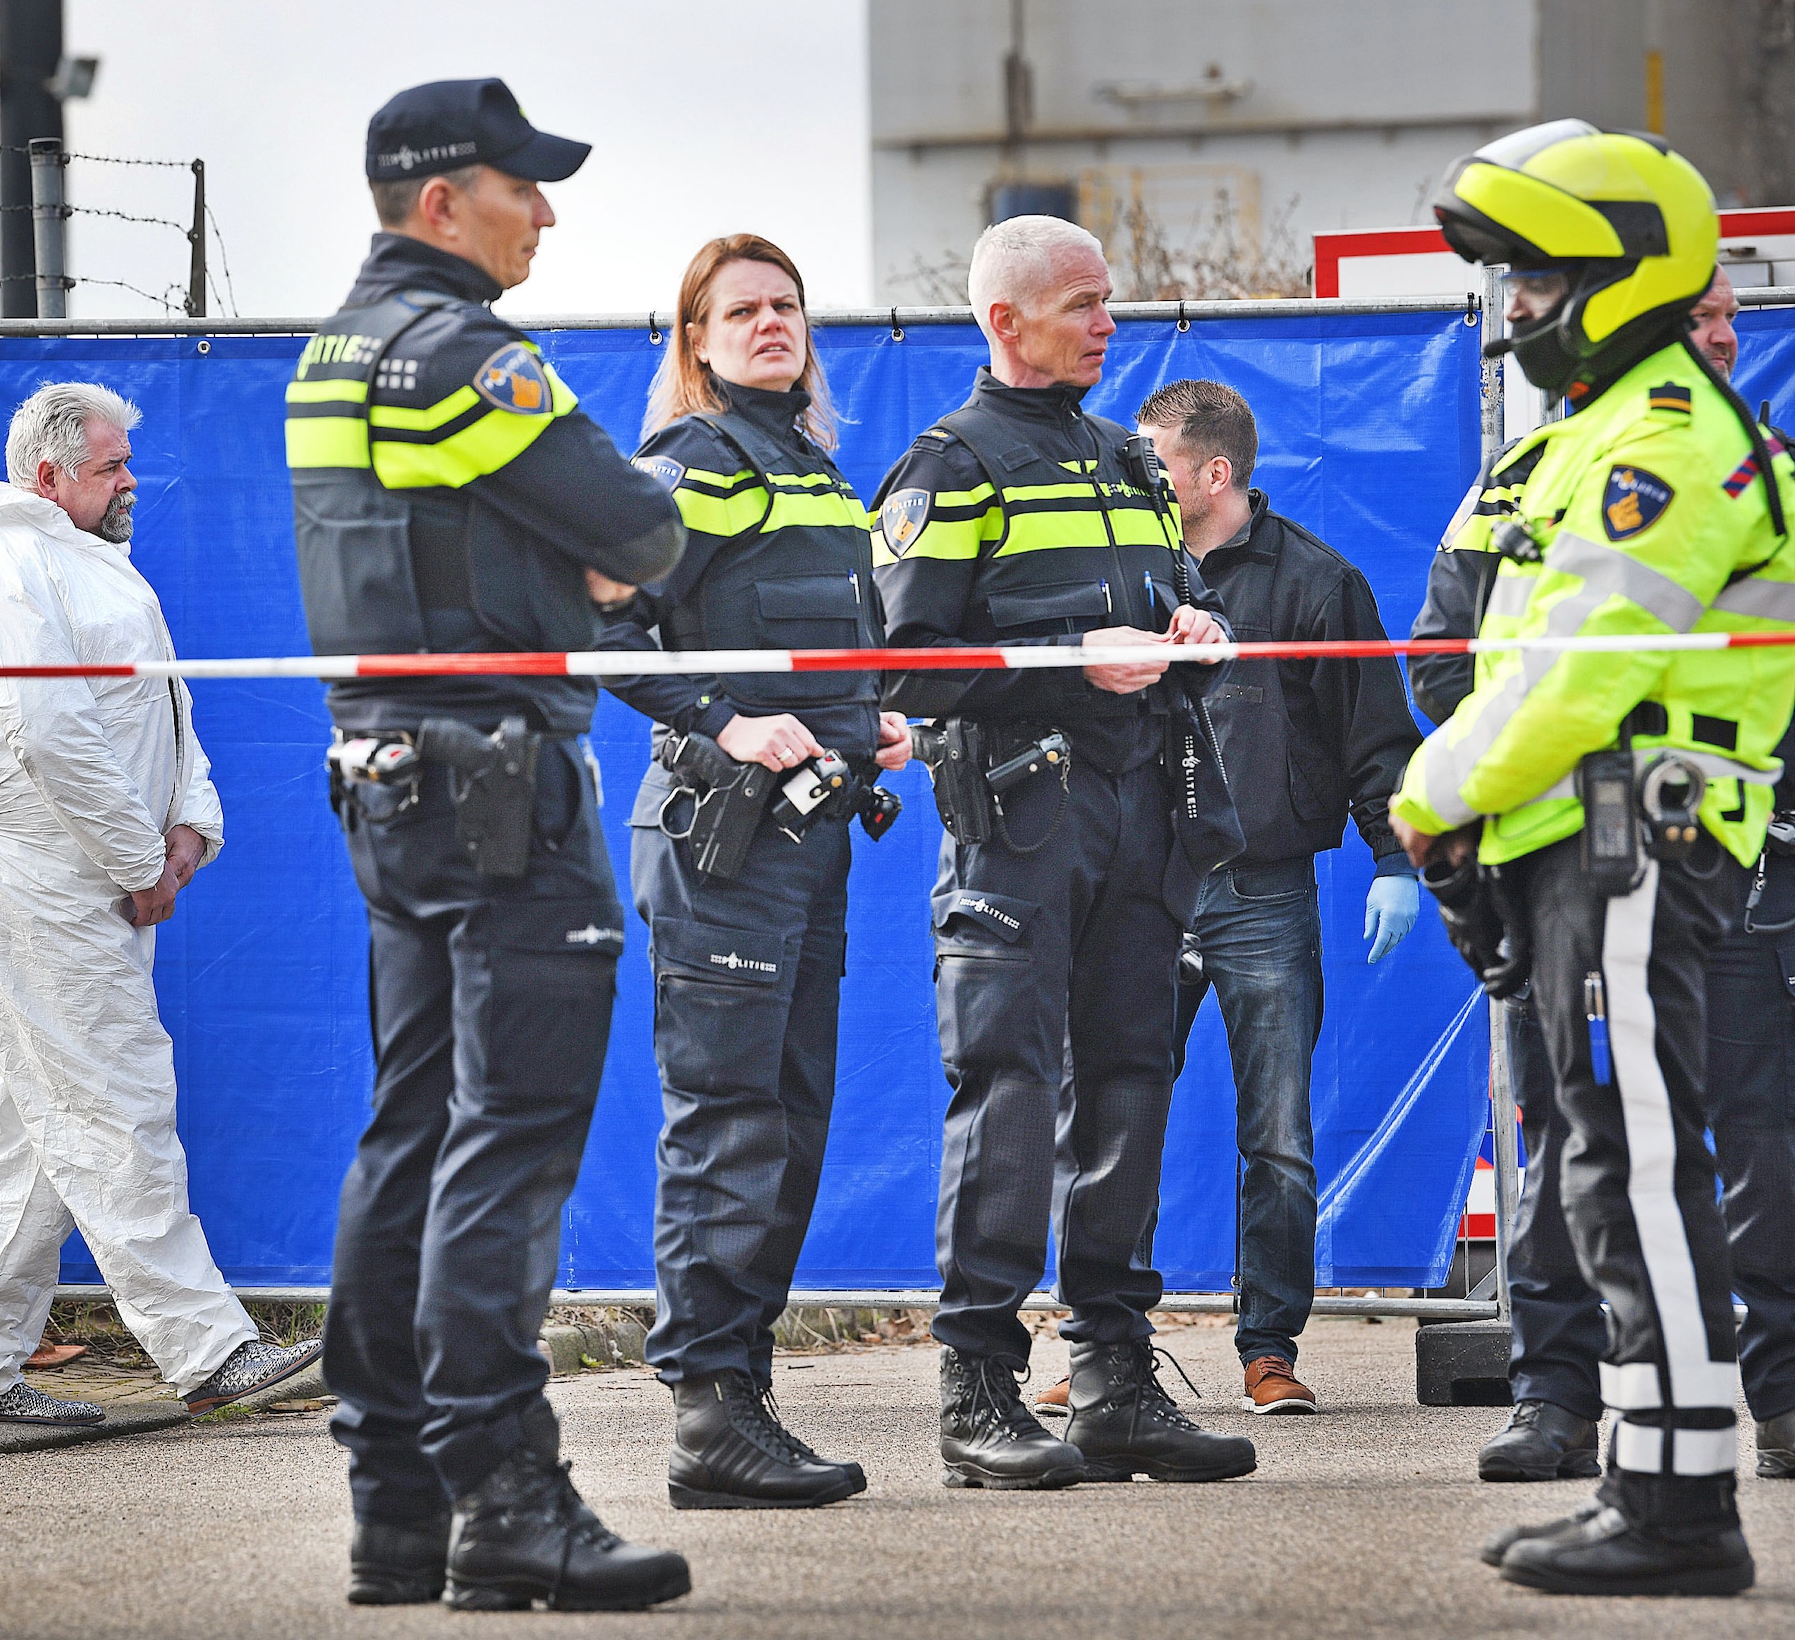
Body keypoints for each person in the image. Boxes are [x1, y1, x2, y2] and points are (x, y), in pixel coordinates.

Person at [286, 79, 692, 1612]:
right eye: (524, 185)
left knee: (410, 1129)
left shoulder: (339, 346)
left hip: (395, 775)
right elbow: (645, 535)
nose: (549, 211)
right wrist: (583, 555)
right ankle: (506, 1491)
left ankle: (398, 1504)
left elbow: (447, 538)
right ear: (442, 201)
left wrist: (543, 550)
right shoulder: (463, 352)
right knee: (506, 1143)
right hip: (500, 781)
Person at [1393, 123, 1795, 1597]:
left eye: (1538, 280)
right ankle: (1645, 1470)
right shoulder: (1583, 440)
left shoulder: (1670, 446)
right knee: (1602, 1176)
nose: (1514, 310)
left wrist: (1429, 795)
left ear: (1626, 280)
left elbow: (1573, 675)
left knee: (1638, 1167)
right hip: (1573, 840)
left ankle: (1686, 1506)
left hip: (1636, 838)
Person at [871, 214, 1256, 1491]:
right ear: (1004, 320)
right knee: (1008, 1092)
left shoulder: (1123, 457)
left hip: (1141, 809)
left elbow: (1137, 606)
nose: (1108, 321)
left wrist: (1180, 620)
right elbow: (903, 663)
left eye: (1107, 301)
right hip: (1018, 818)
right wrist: (1062, 662)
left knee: (1132, 1078)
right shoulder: (947, 464)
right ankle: (976, 1387)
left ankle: (1112, 1381)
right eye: (1083, 302)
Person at [0, 382, 322, 1429]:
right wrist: (144, 856)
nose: (131, 478)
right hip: (32, 873)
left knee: (45, 1119)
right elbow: (48, 731)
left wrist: (189, 825)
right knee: (113, 1103)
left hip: (79, 874)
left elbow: (159, 708)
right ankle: (209, 1349)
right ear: (48, 475)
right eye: (110, 465)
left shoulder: (88, 567)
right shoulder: (3, 564)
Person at [1031, 380, 1424, 1421]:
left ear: (1214, 474)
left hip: (1261, 895)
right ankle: (1103, 1347)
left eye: (1151, 458)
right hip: (1134, 891)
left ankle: (1267, 1350)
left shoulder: (1315, 583)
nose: (1133, 474)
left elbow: (1373, 730)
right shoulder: (1113, 568)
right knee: (1112, 1125)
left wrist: (1394, 860)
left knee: (1278, 1135)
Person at [599, 235, 911, 1510]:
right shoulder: (688, 463)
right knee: (728, 1125)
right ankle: (707, 1416)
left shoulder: (819, 475)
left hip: (810, 833)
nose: (771, 325)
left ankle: (742, 1396)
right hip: (719, 841)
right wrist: (723, 720)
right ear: (695, 340)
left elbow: (828, 648)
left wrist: (868, 716)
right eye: (742, 310)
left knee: (785, 1126)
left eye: (786, 306)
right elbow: (594, 628)